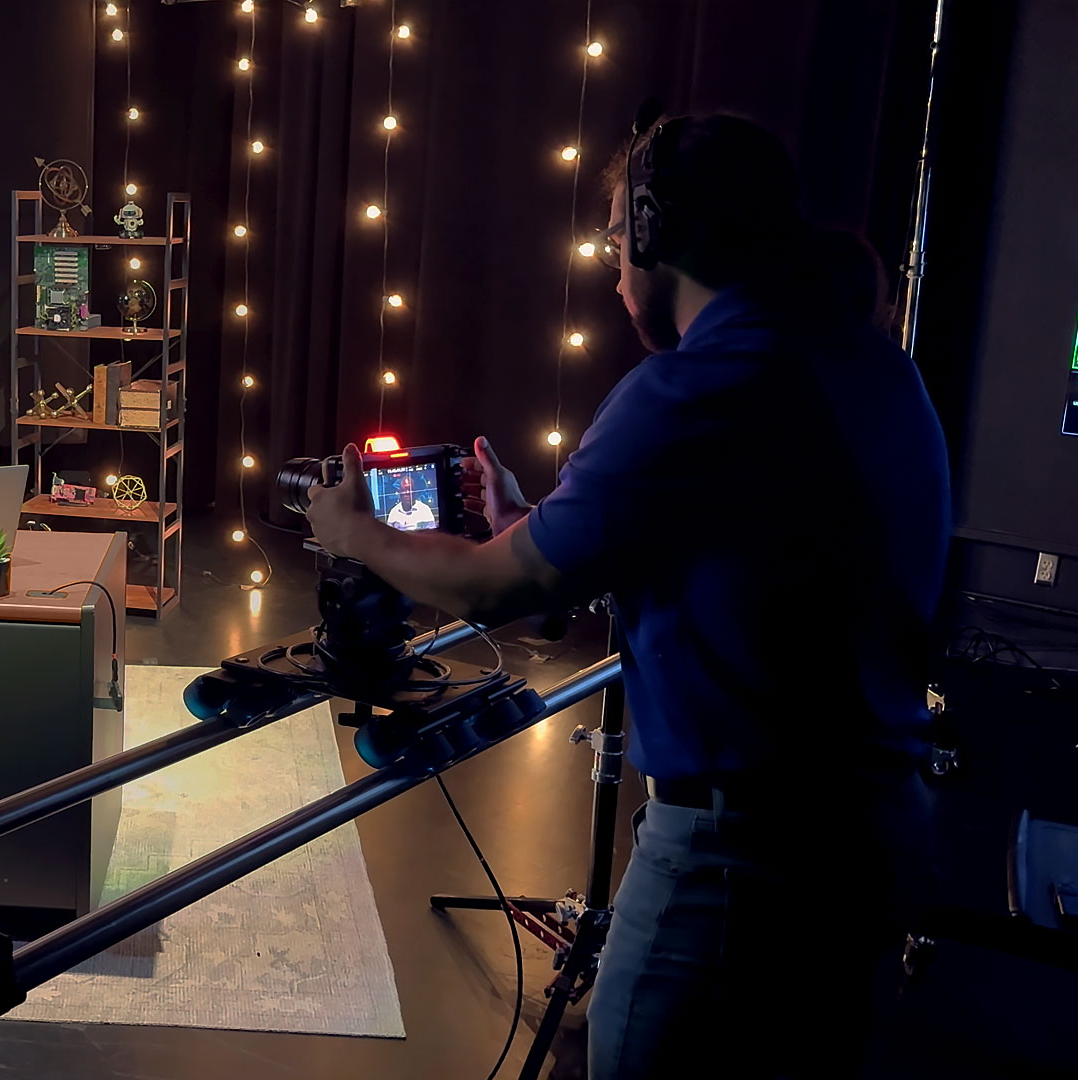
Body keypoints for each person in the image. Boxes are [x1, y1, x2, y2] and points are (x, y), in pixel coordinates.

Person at [305, 114, 948, 1078]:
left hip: (738, 867)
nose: (611, 269)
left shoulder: (698, 386)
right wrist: (535, 520)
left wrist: (351, 531)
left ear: (655, 230)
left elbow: (499, 587)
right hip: (869, 844)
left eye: (613, 237)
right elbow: (751, 580)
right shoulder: (874, 366)